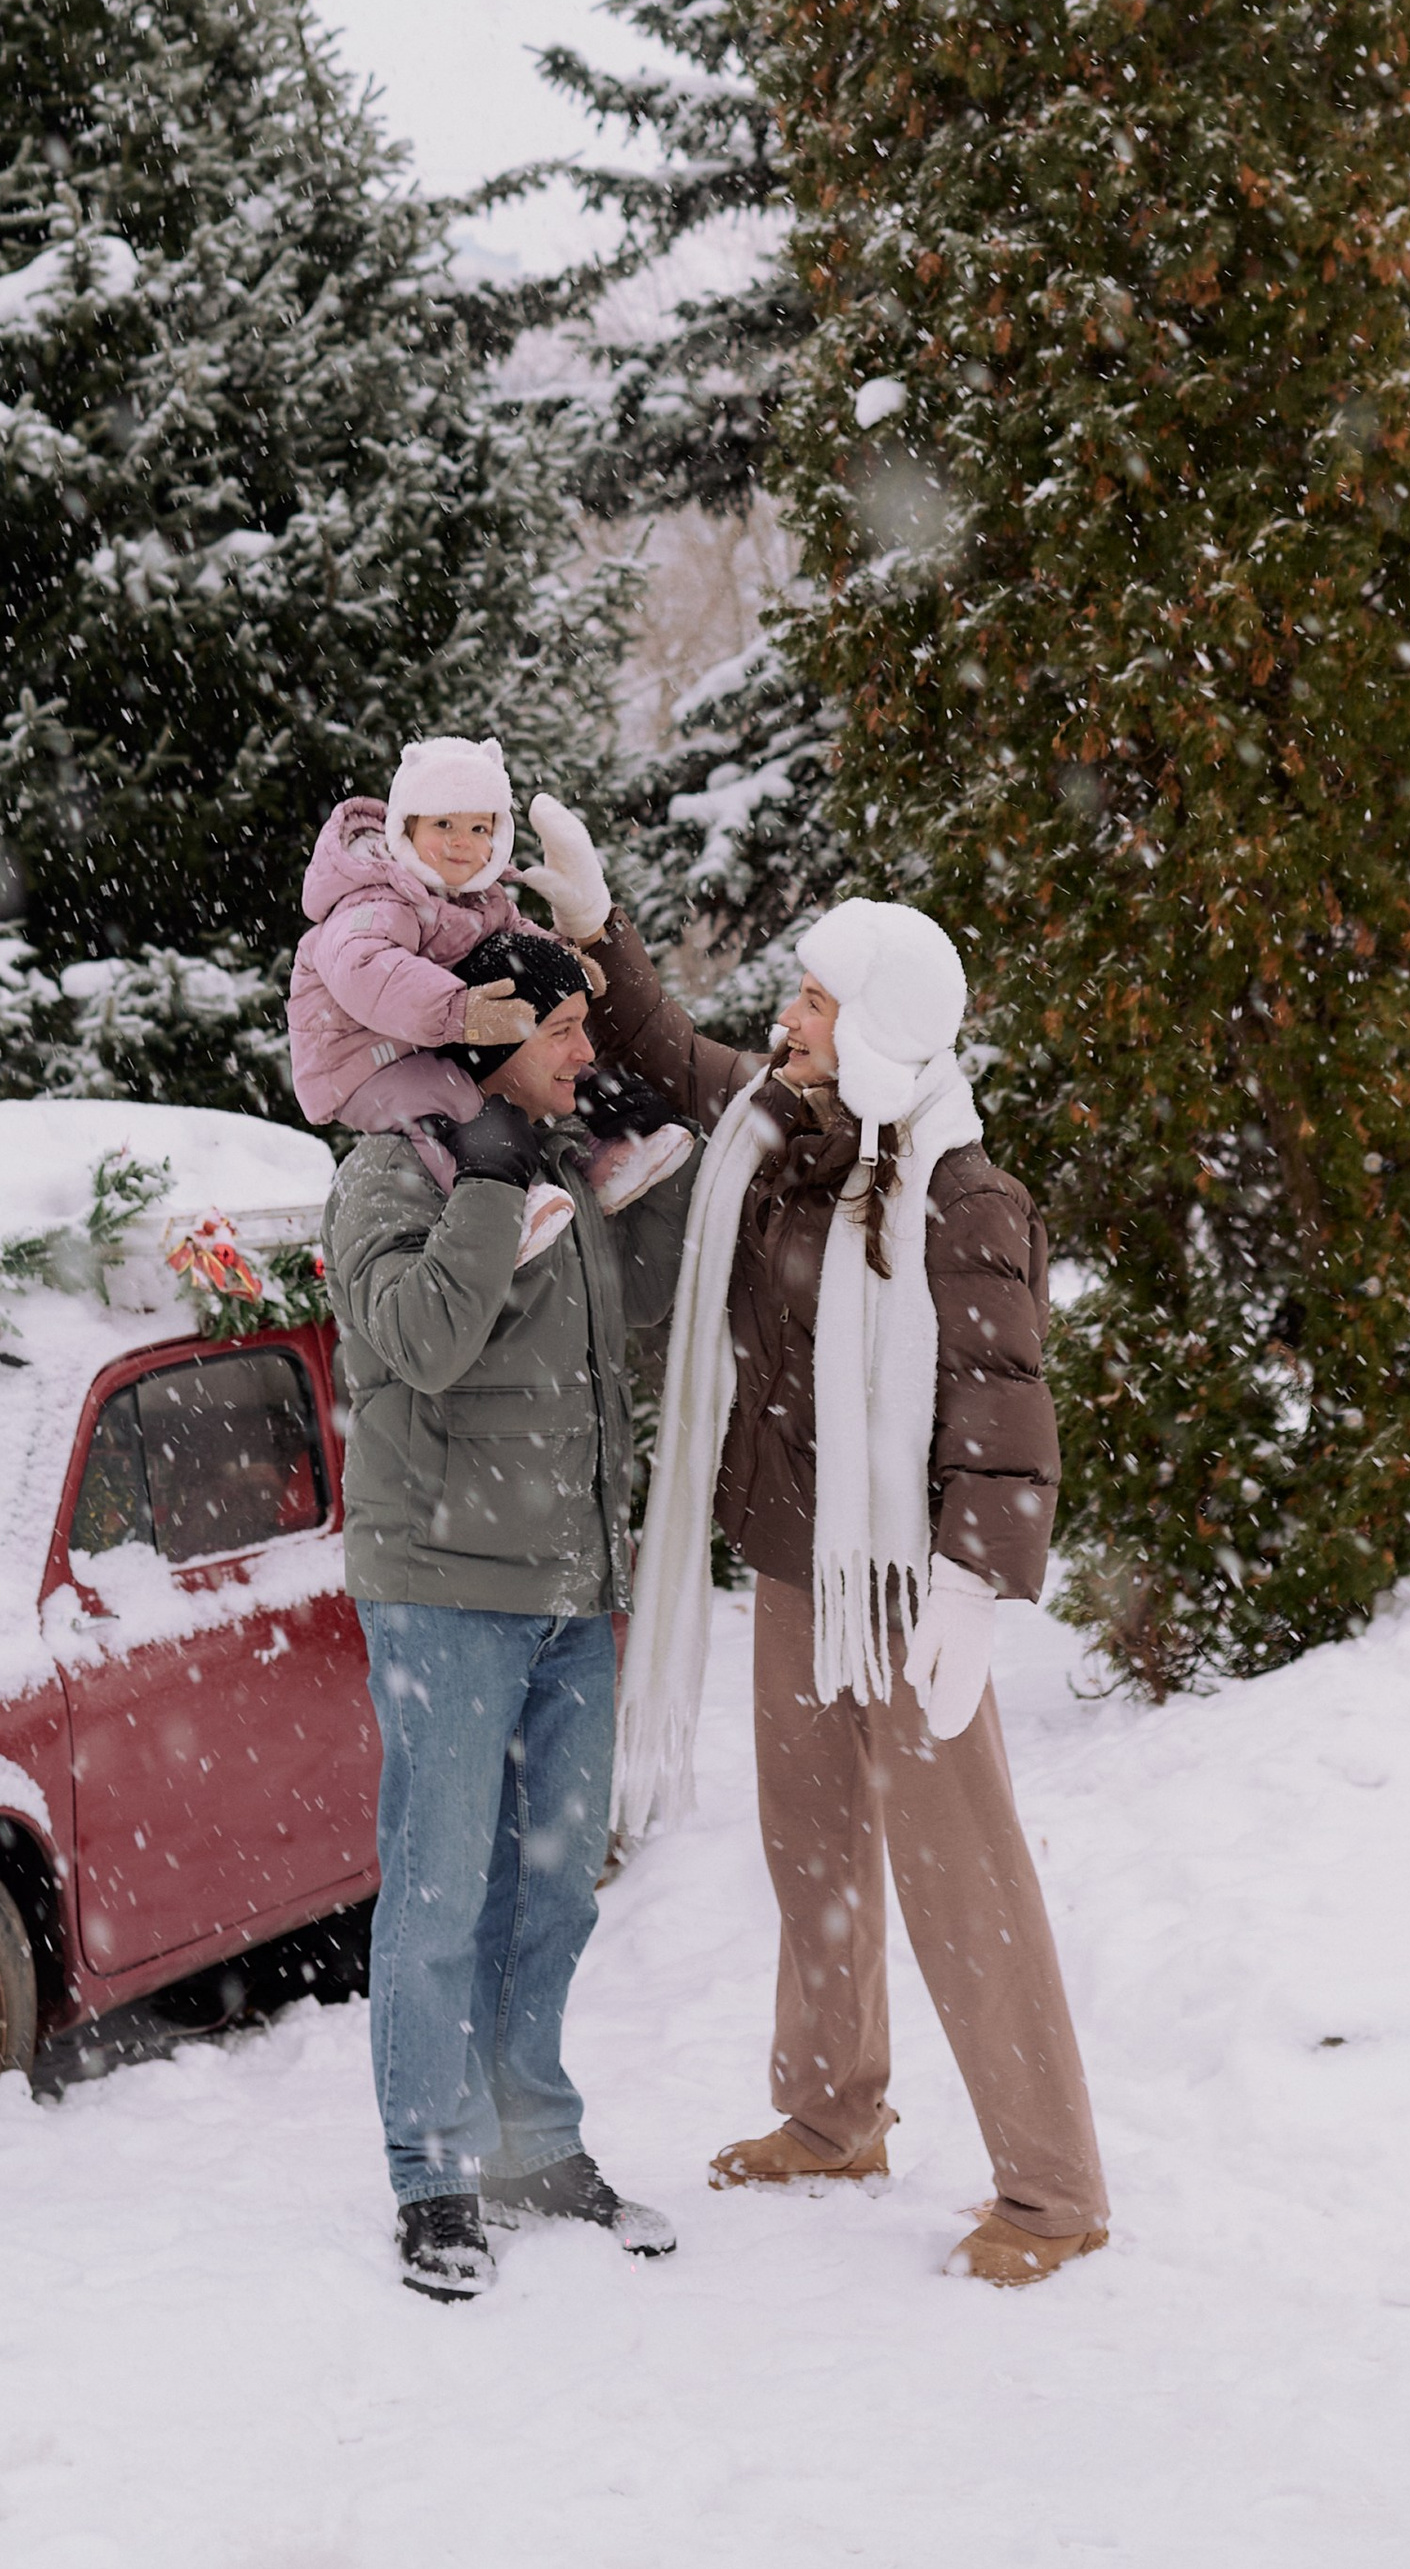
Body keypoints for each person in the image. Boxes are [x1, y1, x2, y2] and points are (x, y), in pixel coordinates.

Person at [518, 802, 1108, 2292]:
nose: (787, 1020)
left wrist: (977, 1582)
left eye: (817, 1001)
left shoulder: (962, 1201)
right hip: (799, 1556)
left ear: (887, 1028)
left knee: (959, 1873)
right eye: (796, 995)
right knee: (813, 1847)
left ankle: (1052, 2187)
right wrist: (598, 933)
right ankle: (834, 2113)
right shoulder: (792, 1144)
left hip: (913, 1586)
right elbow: (664, 1049)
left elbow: (1004, 1413)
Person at [321, 918, 695, 2302]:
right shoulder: (388, 1172)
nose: (585, 1053)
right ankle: (432, 2170)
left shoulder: (557, 1157)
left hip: (564, 1586)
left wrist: (649, 1173)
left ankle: (536, 2143)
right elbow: (415, 1342)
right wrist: (482, 1190)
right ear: (487, 1040)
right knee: (437, 1890)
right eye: (562, 1033)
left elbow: (633, 1314)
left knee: (549, 1883)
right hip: (445, 1586)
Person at [289, 742, 691, 1225]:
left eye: (478, 827)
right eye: (443, 825)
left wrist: (569, 962)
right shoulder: (376, 898)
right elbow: (368, 972)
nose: (462, 842)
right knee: (457, 1099)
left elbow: (516, 931)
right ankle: (496, 1207)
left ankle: (602, 1156)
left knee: (556, 1073)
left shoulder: (478, 897)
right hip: (359, 1064)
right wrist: (460, 1011)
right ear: (405, 828)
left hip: (424, 1041)